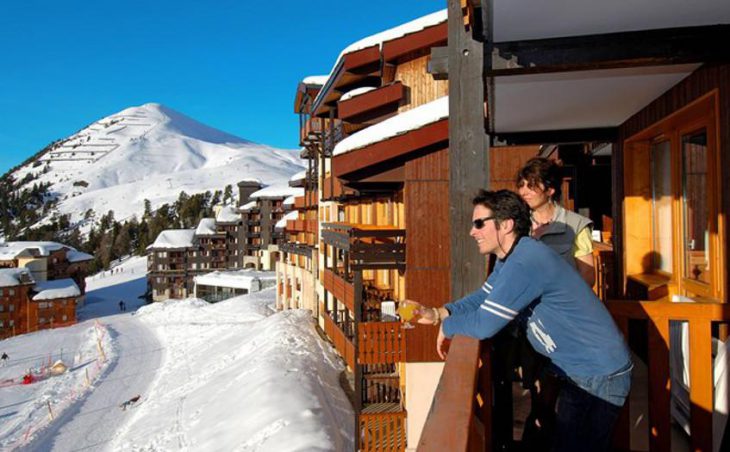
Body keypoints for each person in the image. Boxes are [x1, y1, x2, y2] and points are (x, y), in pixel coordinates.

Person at [410, 190, 631, 452]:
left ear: (506, 225)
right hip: (577, 369)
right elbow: (484, 297)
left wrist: (449, 326)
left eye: (479, 223)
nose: (472, 232)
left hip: (597, 372)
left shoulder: (526, 261)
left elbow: (484, 324)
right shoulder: (512, 258)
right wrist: (438, 314)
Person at [516, 157, 595, 287]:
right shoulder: (517, 223)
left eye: (531, 186)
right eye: (521, 186)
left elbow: (588, 275)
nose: (524, 192)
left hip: (561, 303)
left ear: (550, 190)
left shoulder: (576, 224)